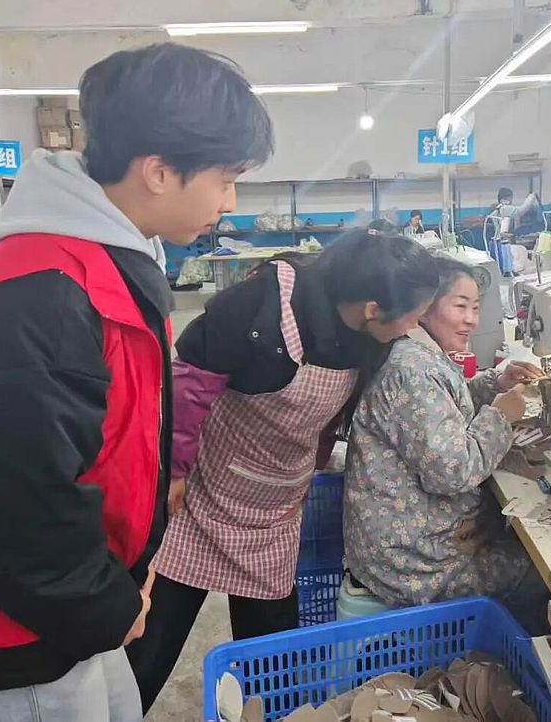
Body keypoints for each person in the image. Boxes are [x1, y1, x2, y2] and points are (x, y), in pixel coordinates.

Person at [0, 43, 272, 722]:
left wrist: (131, 569)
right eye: (226, 179)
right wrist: (104, 604)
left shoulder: (110, 263)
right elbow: (17, 506)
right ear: (159, 171)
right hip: (34, 631)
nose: (230, 201)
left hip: (86, 601)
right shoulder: (40, 293)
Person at [127, 230, 439, 712]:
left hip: (276, 512)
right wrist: (177, 468)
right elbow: (188, 385)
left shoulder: (370, 339)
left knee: (272, 663)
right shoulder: (266, 304)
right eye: (413, 316)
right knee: (151, 641)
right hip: (201, 494)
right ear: (372, 309)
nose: (415, 328)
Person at [344, 255, 550, 635]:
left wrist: (495, 384)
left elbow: (440, 405)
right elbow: (452, 472)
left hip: (405, 542)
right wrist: (500, 418)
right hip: (413, 564)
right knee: (540, 569)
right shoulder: (413, 370)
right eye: (460, 306)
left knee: (518, 535)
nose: (472, 320)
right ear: (423, 307)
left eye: (476, 308)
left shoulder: (416, 354)